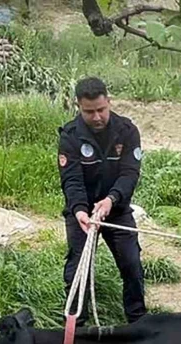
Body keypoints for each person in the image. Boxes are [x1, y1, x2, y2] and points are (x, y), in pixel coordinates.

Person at [58, 76, 146, 325]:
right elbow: (71, 180)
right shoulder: (70, 136)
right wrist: (79, 211)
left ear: (109, 101)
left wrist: (111, 199)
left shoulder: (127, 131)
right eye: (89, 112)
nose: (96, 117)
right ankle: (76, 327)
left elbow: (130, 173)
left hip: (116, 209)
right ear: (79, 106)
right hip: (82, 214)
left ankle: (138, 322)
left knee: (132, 265)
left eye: (101, 109)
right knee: (78, 270)